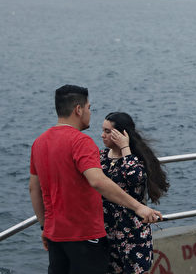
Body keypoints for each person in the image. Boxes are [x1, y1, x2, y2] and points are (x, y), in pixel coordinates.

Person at [29, 85, 162, 274]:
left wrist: (44, 226)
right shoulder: (81, 142)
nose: (90, 113)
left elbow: (34, 189)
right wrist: (139, 207)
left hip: (54, 235)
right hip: (85, 237)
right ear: (78, 109)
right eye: (89, 108)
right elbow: (97, 181)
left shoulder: (39, 142)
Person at [100, 112, 169, 274]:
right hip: (108, 231)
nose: (102, 135)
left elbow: (135, 179)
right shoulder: (101, 157)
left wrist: (125, 148)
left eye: (108, 132)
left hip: (133, 233)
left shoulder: (135, 159)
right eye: (103, 130)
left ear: (122, 134)